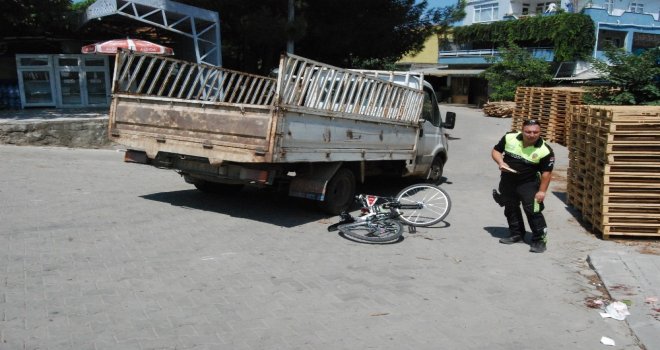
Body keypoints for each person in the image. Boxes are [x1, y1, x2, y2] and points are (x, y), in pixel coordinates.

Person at [491, 119, 555, 253]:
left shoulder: (545, 150)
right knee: (510, 207)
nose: (532, 135)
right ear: (522, 129)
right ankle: (516, 234)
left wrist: (542, 191)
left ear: (540, 132)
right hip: (508, 180)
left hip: (529, 183)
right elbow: (496, 151)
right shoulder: (510, 137)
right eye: (528, 132)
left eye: (535, 132)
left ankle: (539, 240)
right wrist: (501, 162)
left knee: (533, 211)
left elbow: (546, 174)